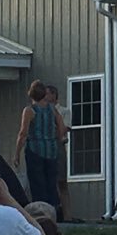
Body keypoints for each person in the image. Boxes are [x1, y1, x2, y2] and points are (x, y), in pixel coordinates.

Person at [17, 80, 65, 209]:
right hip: (51, 150)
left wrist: (17, 153)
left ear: (31, 94)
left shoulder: (29, 111)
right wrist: (58, 139)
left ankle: (42, 211)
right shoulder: (52, 109)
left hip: (35, 149)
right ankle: (54, 209)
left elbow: (23, 133)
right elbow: (61, 126)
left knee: (38, 182)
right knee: (51, 182)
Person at [44, 85, 72, 221]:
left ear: (54, 95)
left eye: (47, 93)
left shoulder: (64, 111)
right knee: (48, 182)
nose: (45, 96)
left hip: (58, 147)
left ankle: (67, 215)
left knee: (61, 182)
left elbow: (64, 129)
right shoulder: (41, 111)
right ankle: (51, 215)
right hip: (45, 148)